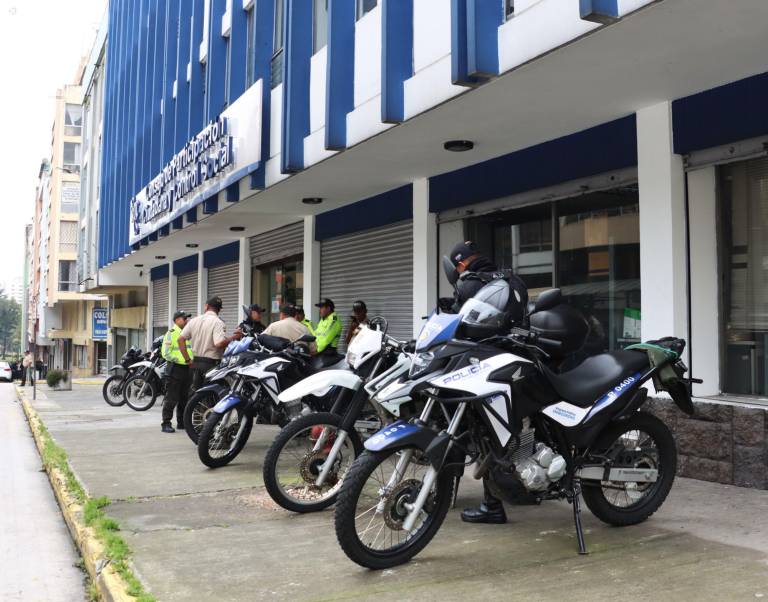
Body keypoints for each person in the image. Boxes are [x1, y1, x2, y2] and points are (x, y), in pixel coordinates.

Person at [444, 241, 528, 526]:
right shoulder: (506, 278)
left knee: (479, 433)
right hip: (513, 365)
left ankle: (486, 504)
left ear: (460, 264)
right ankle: (499, 497)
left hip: (478, 367)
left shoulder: (468, 284)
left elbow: (457, 323)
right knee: (499, 432)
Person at [178, 296, 241, 393]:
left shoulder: (194, 321)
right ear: (219, 309)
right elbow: (219, 343)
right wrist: (235, 337)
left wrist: (187, 360)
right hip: (211, 366)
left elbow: (180, 339)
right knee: (210, 396)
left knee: (194, 396)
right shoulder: (218, 322)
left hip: (195, 364)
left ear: (206, 306)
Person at [160, 312, 193, 433]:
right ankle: (166, 423)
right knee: (172, 398)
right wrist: (184, 360)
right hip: (175, 369)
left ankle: (181, 422)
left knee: (184, 398)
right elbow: (166, 353)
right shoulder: (171, 334)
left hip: (187, 369)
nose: (187, 321)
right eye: (185, 319)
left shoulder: (186, 334)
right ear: (177, 320)